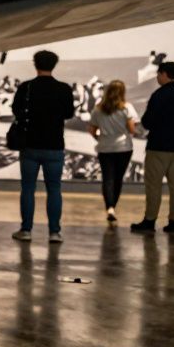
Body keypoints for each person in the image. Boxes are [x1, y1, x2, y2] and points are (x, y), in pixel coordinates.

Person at [10, 50, 75, 243]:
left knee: (28, 188)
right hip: (54, 145)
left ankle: (26, 230)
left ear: (35, 64)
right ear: (54, 64)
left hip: (30, 145)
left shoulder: (26, 88)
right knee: (54, 188)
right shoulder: (63, 89)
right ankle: (54, 232)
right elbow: (69, 113)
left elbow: (16, 111)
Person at [132, 60, 174, 233]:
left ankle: (150, 221)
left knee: (154, 186)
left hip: (158, 146)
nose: (157, 77)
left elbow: (148, 122)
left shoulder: (159, 95)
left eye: (158, 74)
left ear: (164, 74)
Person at [87, 80, 138, 224]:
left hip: (105, 148)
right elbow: (132, 130)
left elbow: (91, 129)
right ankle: (113, 205)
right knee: (118, 179)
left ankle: (109, 207)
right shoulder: (127, 108)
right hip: (123, 148)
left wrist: (100, 138)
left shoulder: (98, 109)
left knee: (108, 178)